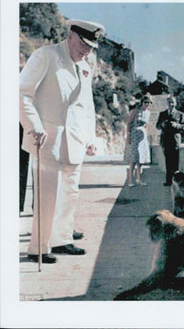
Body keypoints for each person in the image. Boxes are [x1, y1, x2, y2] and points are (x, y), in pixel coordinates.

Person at [20, 19, 105, 263]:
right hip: (47, 137)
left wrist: (90, 138)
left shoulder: (86, 65)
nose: (87, 50)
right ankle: (39, 248)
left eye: (91, 46)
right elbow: (22, 93)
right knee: (47, 195)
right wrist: (33, 126)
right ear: (70, 36)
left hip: (75, 139)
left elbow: (86, 106)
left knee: (70, 194)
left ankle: (62, 240)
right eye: (83, 44)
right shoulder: (45, 56)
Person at [156, 95, 184, 186]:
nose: (171, 104)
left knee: (175, 162)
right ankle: (168, 181)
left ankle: (176, 182)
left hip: (175, 140)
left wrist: (177, 125)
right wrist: (162, 125)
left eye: (173, 102)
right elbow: (157, 126)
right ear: (167, 103)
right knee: (168, 161)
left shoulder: (180, 114)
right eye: (169, 102)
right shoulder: (162, 114)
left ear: (176, 103)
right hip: (165, 140)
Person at [124, 95, 152, 187]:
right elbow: (128, 123)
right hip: (134, 136)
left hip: (142, 137)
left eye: (148, 103)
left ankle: (139, 179)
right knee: (133, 159)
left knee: (140, 160)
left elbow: (146, 125)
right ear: (142, 102)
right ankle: (130, 181)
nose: (147, 104)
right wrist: (128, 135)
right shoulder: (135, 111)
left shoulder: (148, 113)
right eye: (145, 102)